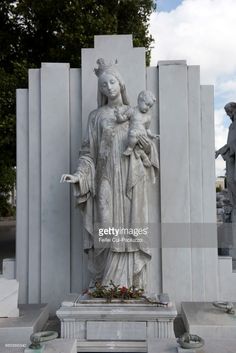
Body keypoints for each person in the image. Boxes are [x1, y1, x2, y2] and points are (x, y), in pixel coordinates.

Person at [61, 58, 159, 288]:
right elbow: (88, 152)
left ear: (120, 83)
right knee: (104, 224)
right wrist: (78, 175)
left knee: (130, 226)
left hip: (131, 178)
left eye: (112, 82)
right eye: (103, 85)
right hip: (104, 176)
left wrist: (146, 143)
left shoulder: (134, 111)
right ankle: (106, 282)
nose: (108, 88)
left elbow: (148, 148)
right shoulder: (95, 117)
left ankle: (129, 284)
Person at [115, 90, 158, 167]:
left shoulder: (148, 116)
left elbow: (147, 129)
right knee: (133, 135)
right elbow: (122, 119)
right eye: (147, 104)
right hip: (134, 132)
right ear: (139, 100)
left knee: (145, 144)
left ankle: (139, 152)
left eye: (150, 106)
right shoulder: (132, 111)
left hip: (143, 135)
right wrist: (118, 115)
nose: (147, 108)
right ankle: (132, 149)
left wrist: (152, 135)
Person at [215, 102, 236, 214]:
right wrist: (219, 151)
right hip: (231, 158)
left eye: (228, 112)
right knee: (231, 181)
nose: (228, 115)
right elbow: (230, 143)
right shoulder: (232, 126)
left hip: (233, 156)